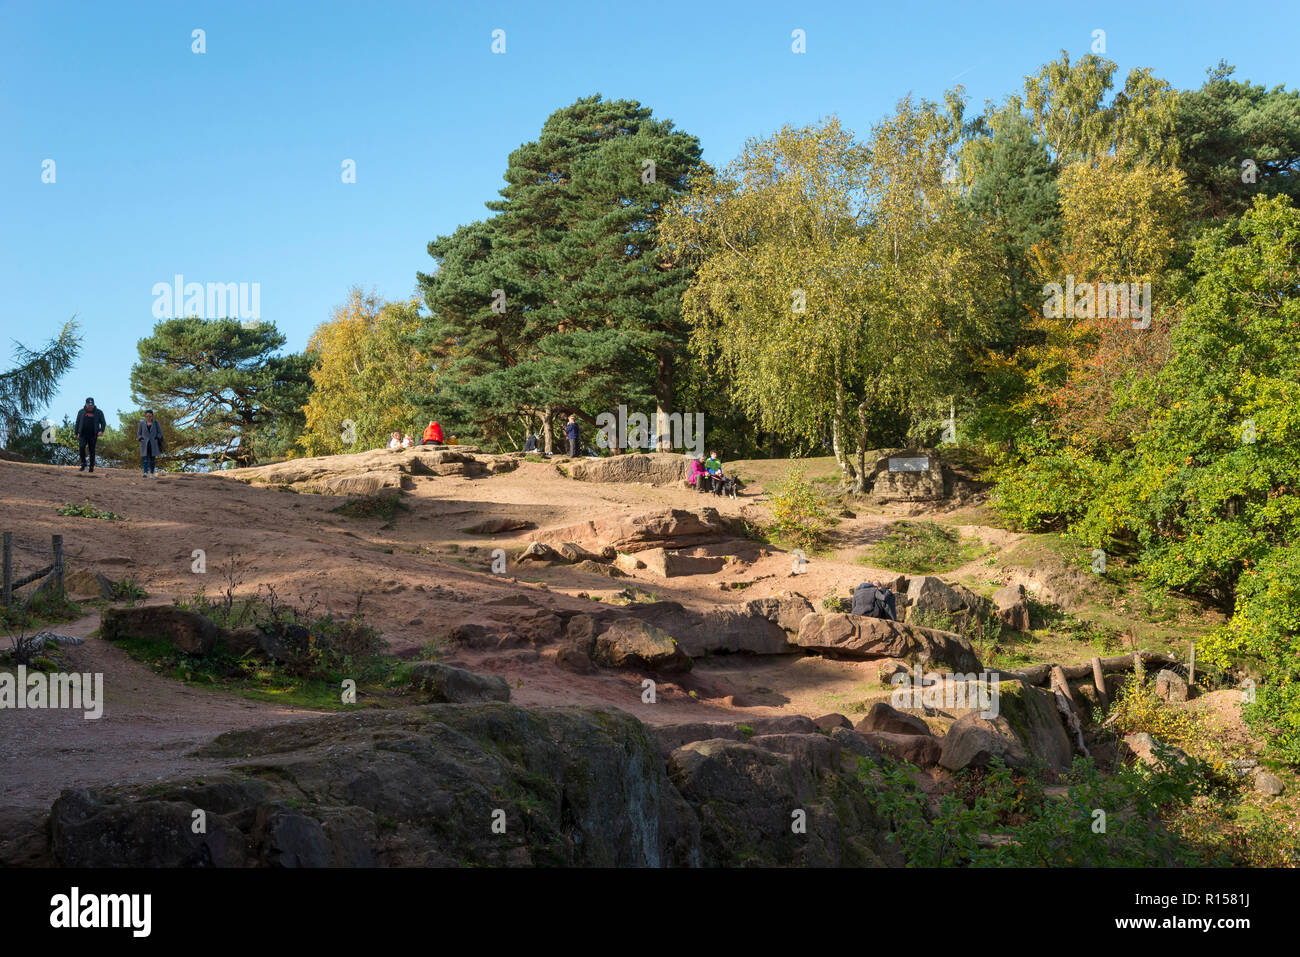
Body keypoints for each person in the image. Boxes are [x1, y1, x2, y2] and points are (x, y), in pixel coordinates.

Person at [74, 397, 106, 473]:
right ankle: (83, 464)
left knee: (92, 450)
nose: (90, 406)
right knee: (81, 447)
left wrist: (101, 431)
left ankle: (91, 466)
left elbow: (103, 423)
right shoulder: (81, 412)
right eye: (89, 405)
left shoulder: (99, 412)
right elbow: (77, 423)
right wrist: (76, 433)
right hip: (83, 434)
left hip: (93, 435)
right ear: (86, 404)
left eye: (92, 405)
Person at [137, 409, 164, 478]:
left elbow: (160, 432)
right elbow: (139, 433)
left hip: (153, 443)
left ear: (152, 416)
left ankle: (152, 474)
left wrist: (157, 437)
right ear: (145, 416)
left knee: (152, 460)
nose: (148, 417)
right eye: (147, 416)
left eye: (150, 416)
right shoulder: (142, 423)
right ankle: (145, 473)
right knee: (145, 459)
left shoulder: (156, 423)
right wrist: (140, 438)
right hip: (144, 444)